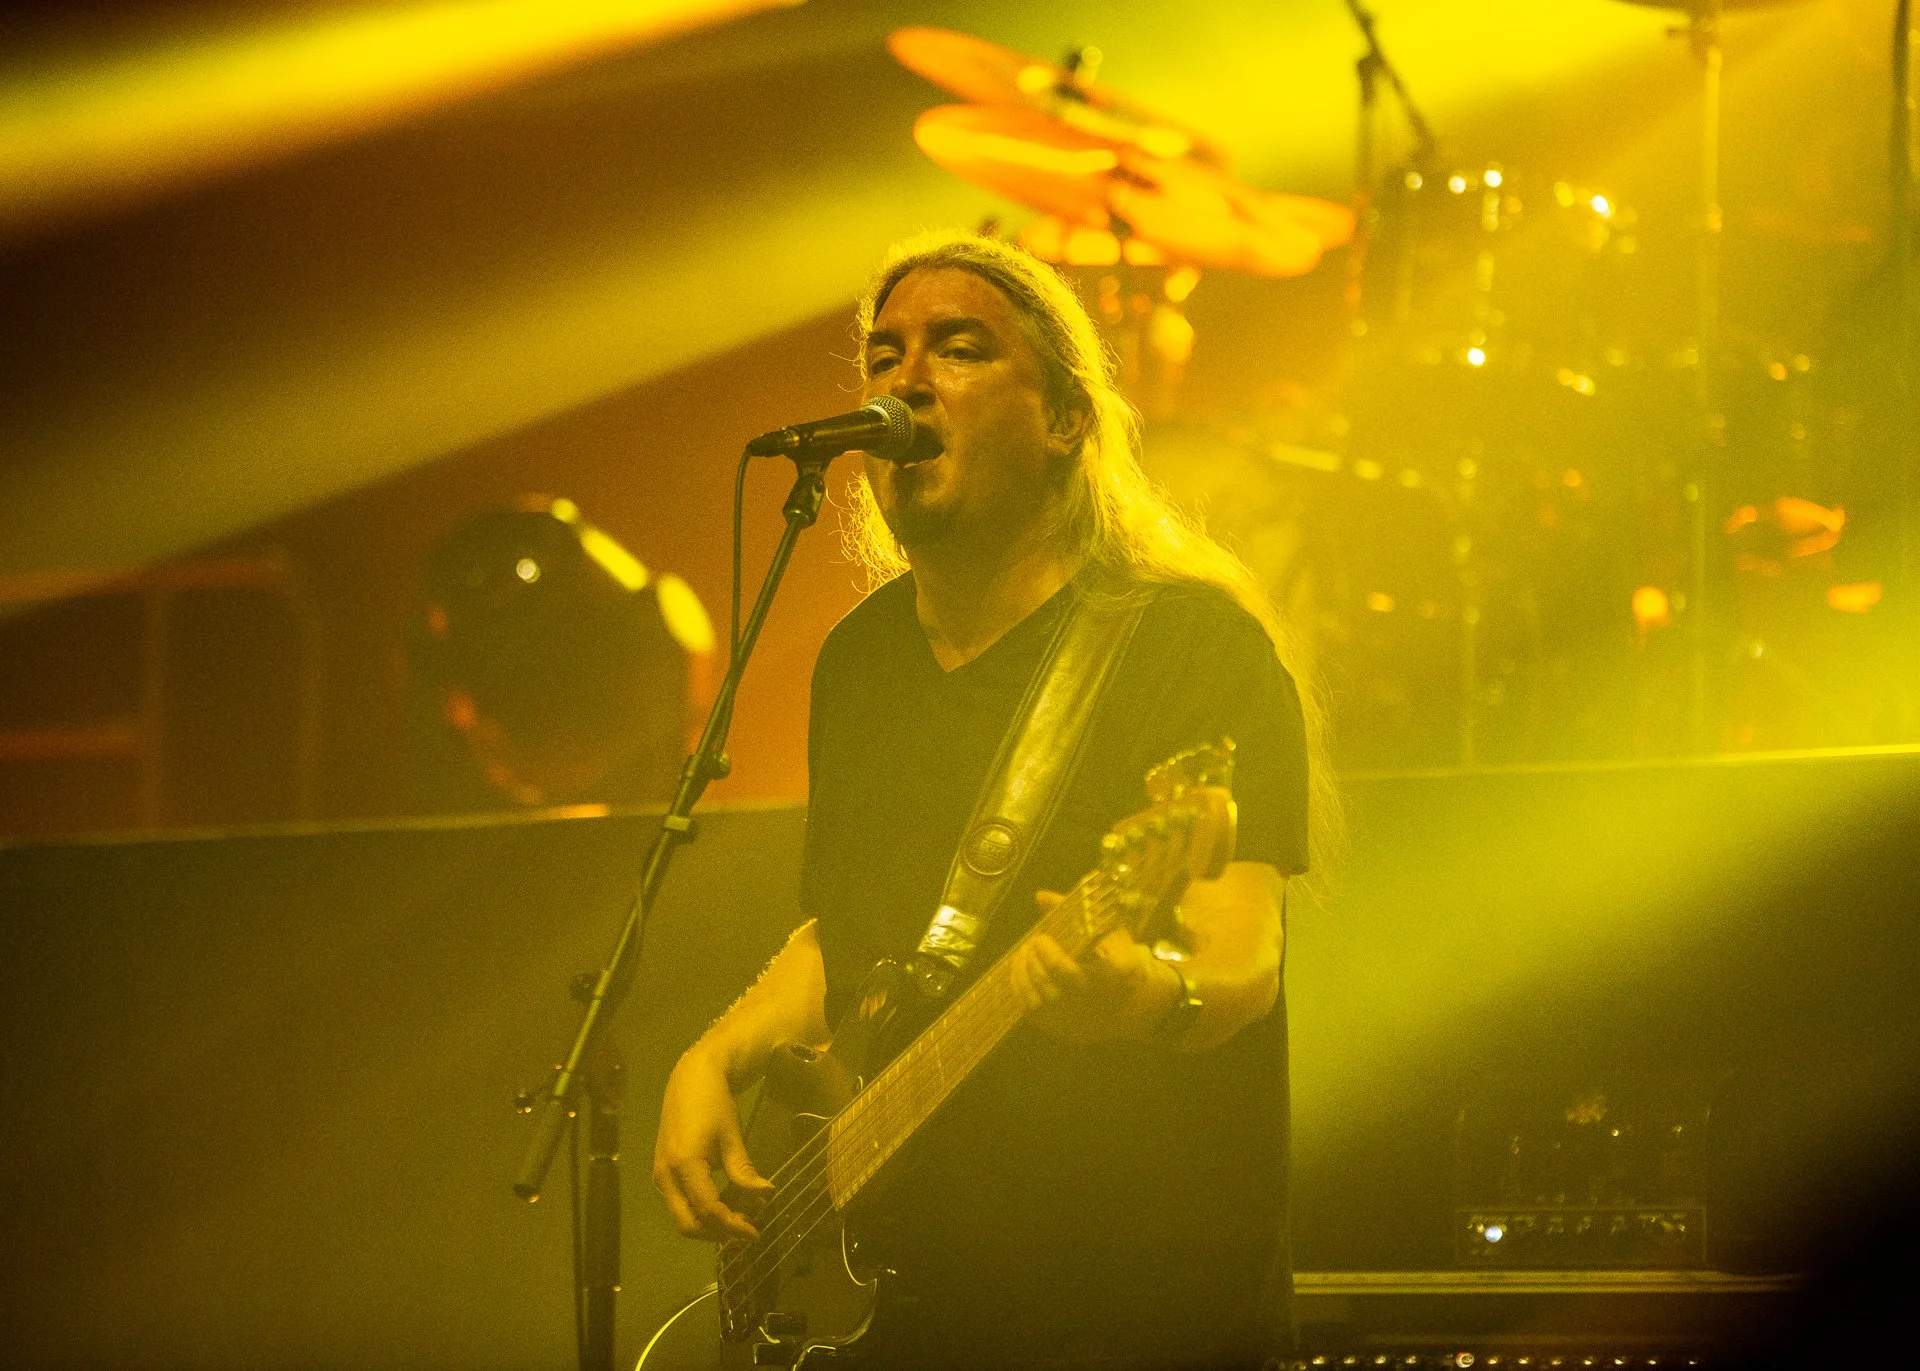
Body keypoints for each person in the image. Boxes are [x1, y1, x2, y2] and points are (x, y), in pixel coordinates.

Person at [652, 232, 1323, 1371]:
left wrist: (1145, 996)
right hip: (908, 1317)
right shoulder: (860, 661)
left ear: (1065, 419)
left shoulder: (1188, 646)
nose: (907, 383)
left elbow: (1242, 948)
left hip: (1137, 1309)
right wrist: (714, 1055)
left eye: (961, 351)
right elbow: (850, 933)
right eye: (885, 358)